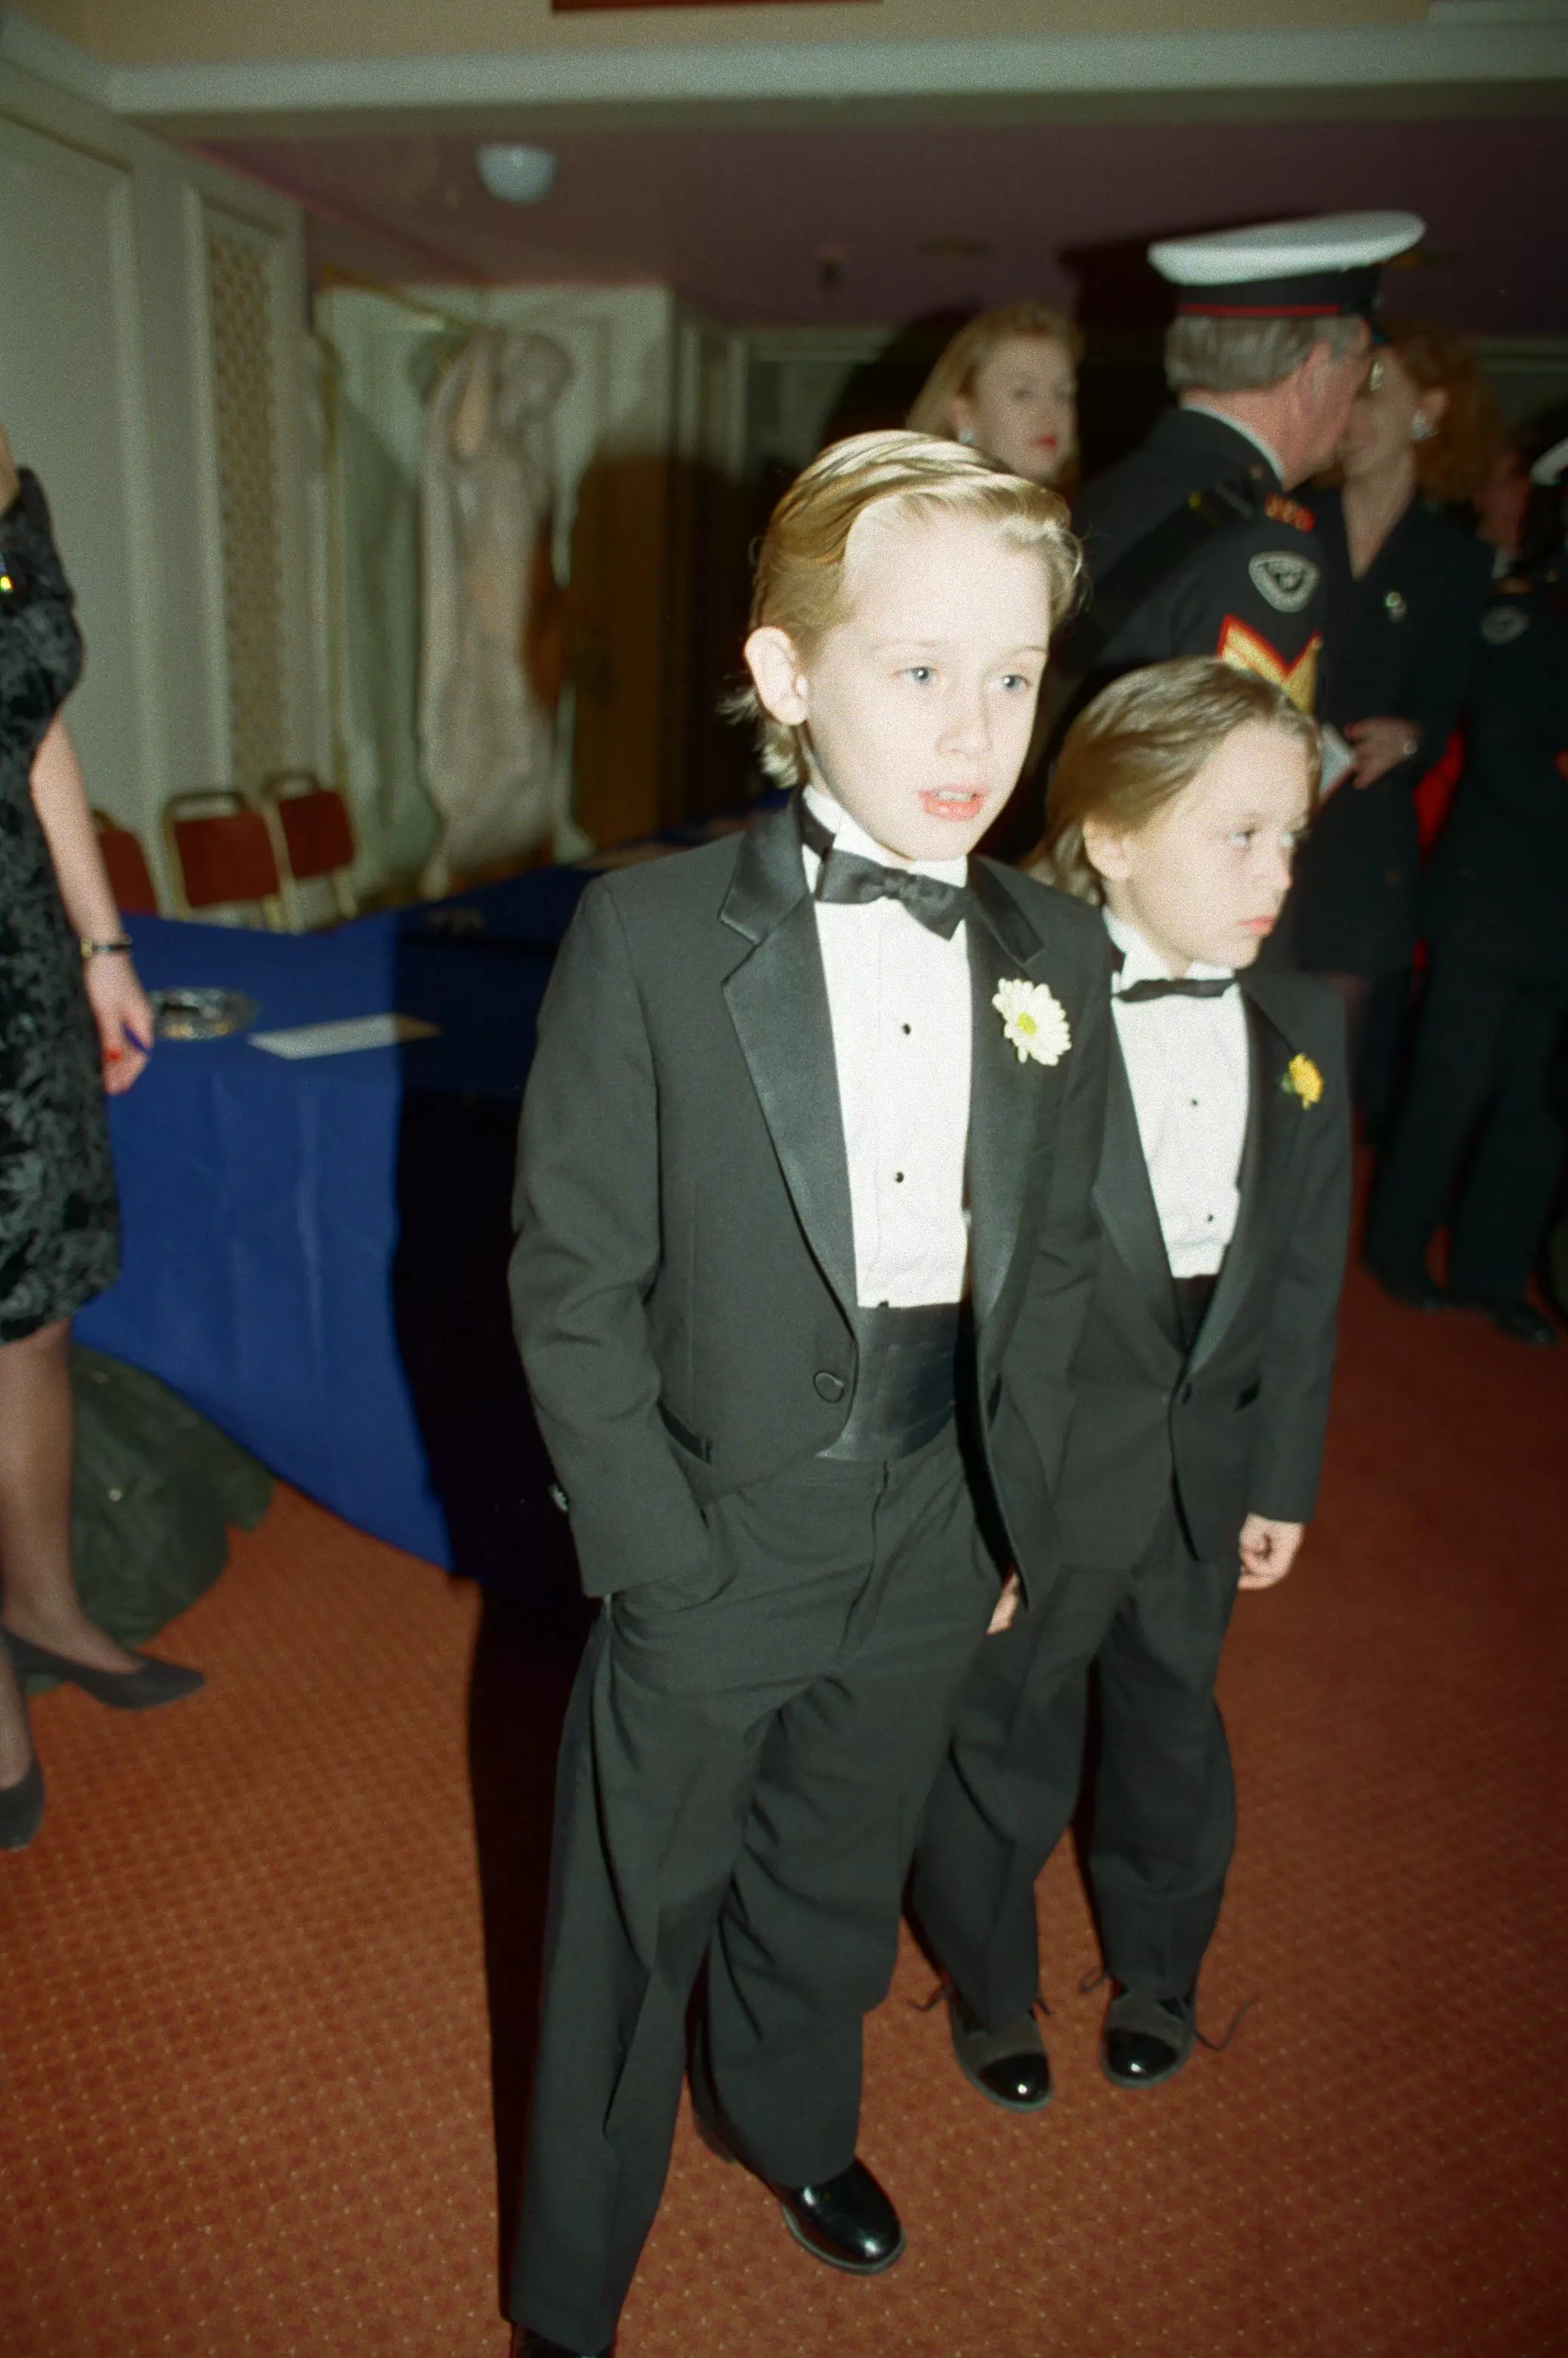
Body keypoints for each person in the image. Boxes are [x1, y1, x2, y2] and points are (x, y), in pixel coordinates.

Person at [506, 430, 1109, 2357]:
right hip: (717, 1521)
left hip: (936, 1521)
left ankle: (792, 2117)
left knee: (834, 1873)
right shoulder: (654, 939)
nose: (976, 725)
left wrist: (1010, 1517)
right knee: (633, 1908)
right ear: (784, 676)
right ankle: (570, 2272)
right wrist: (654, 1547)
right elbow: (572, 1278)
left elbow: (1061, 1264)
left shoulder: (1055, 946)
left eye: (1013, 673)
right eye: (917, 667)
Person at [910, 657, 1350, 2106]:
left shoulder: (1303, 1032)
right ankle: (988, 1977)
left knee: (1172, 1724)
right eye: (1240, 834)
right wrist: (974, 1514)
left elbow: (1299, 1284)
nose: (1277, 871)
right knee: (1009, 1733)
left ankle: (1160, 1965)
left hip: (1201, 1469)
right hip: (1045, 1473)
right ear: (1108, 835)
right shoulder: (1007, 1012)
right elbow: (952, 1290)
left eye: (1293, 834)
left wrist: (1282, 1472)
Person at [0, 423, 201, 1856]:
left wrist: (103, 944)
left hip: (18, 966)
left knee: (34, 1320)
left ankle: (47, 1606)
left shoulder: (12, 475)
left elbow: (36, 722)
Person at [1363, 438, 1568, 1346]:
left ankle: (1492, 1275)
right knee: (1448, 1085)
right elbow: (1512, 765)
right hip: (1491, 909)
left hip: (1555, 922)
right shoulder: (1518, 616)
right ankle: (1397, 1251)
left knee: (1539, 1106)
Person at [1286, 319, 1496, 1117]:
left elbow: (1443, 704)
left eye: (1373, 385)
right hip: (1267, 810)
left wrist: (1408, 736)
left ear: (1428, 410)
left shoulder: (1454, 561)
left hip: (1359, 832)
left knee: (1324, 1074)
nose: (1350, 409)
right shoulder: (1292, 523)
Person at [906, 299, 1081, 488]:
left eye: (1063, 394)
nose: (1050, 413)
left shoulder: (1081, 512)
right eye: (1023, 393)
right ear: (963, 415)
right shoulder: (929, 514)